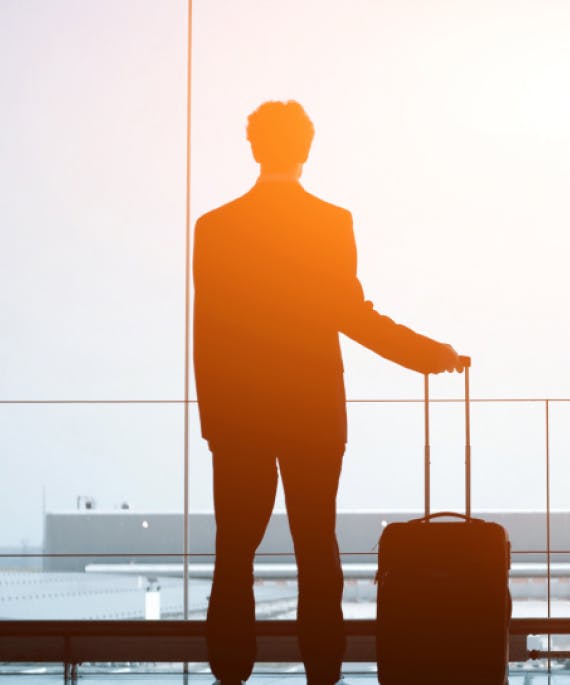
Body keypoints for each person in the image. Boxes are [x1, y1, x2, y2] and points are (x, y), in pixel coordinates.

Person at [194, 100, 464, 685]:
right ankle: (322, 672)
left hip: (239, 418)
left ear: (253, 147)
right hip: (313, 411)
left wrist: (214, 423)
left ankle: (231, 673)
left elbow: (207, 334)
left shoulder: (215, 227)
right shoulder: (328, 222)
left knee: (233, 553)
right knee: (316, 544)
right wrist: (428, 356)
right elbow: (354, 316)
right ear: (306, 150)